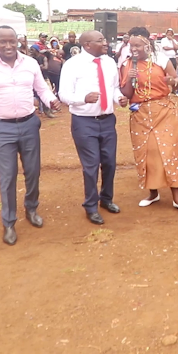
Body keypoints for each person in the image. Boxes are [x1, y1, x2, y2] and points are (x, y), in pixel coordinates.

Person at [0, 25, 61, 246]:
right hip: (1, 127)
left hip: (29, 124)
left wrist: (51, 101)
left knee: (33, 171)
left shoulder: (30, 63)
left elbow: (42, 88)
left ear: (17, 41)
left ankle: (31, 208)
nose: (8, 46)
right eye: (3, 42)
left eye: (12, 41)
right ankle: (8, 222)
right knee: (7, 177)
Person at [59, 31, 127, 225]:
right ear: (87, 44)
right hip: (84, 122)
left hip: (107, 120)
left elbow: (114, 88)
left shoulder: (109, 62)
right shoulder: (72, 65)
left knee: (110, 163)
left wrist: (118, 98)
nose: (105, 43)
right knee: (91, 166)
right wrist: (83, 99)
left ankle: (106, 199)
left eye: (105, 39)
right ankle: (91, 206)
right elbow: (63, 94)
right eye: (101, 41)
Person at [119, 27, 178, 211]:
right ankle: (153, 193)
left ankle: (176, 196)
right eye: (130, 45)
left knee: (168, 151)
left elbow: (177, 80)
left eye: (137, 45)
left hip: (163, 111)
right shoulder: (126, 65)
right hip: (140, 114)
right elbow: (126, 94)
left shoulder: (161, 60)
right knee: (146, 153)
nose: (133, 49)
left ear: (147, 44)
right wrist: (129, 80)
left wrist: (172, 81)